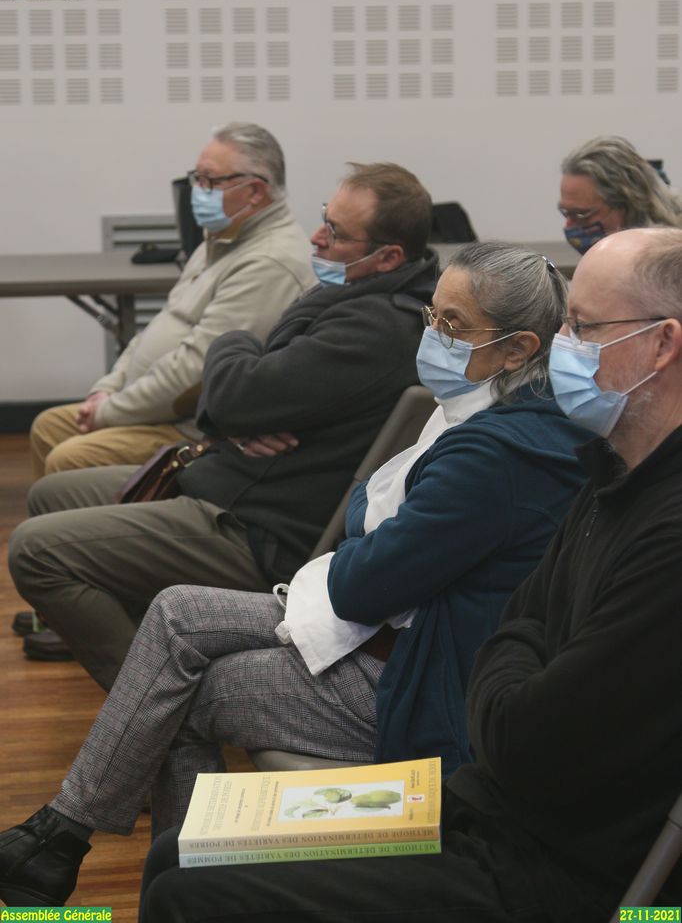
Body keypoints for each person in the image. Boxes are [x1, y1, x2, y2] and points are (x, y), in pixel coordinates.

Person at [0, 242, 594, 909]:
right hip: (399, 631)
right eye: (432, 315)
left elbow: (364, 570)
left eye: (452, 325)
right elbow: (368, 511)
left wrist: (373, 523)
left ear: (517, 349)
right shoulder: (489, 405)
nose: (432, 334)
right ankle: (69, 841)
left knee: (184, 683)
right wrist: (375, 522)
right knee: (175, 614)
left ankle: (139, 868)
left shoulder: (496, 452)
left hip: (424, 674)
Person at [129, 225, 682, 923]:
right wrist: (517, 654)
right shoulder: (612, 472)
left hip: (548, 862)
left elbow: (524, 735)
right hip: (491, 808)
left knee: (189, 887)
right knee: (178, 854)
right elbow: (521, 626)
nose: (563, 344)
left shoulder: (664, 529)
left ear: (662, 344)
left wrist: (511, 657)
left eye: (582, 326)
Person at [9, 162, 438, 686]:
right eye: (325, 217)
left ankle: (162, 706)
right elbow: (239, 403)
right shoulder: (351, 296)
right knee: (51, 494)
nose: (317, 236)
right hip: (232, 480)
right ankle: (165, 651)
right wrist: (241, 410)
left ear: (388, 257)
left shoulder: (376, 326)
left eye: (337, 232)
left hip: (258, 528)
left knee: (35, 551)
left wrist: (232, 344)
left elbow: (235, 394)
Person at [28, 121, 314, 481]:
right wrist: (107, 389)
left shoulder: (269, 261)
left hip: (193, 426)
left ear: (255, 191)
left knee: (70, 457)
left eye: (209, 181)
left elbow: (195, 374)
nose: (198, 191)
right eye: (197, 178)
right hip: (156, 409)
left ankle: (81, 519)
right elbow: (158, 328)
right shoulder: (221, 239)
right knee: (49, 427)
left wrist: (109, 412)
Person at [559, 134, 682, 254]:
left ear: (628, 205)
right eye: (565, 212)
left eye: (581, 215)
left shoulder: (671, 261)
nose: (569, 226)